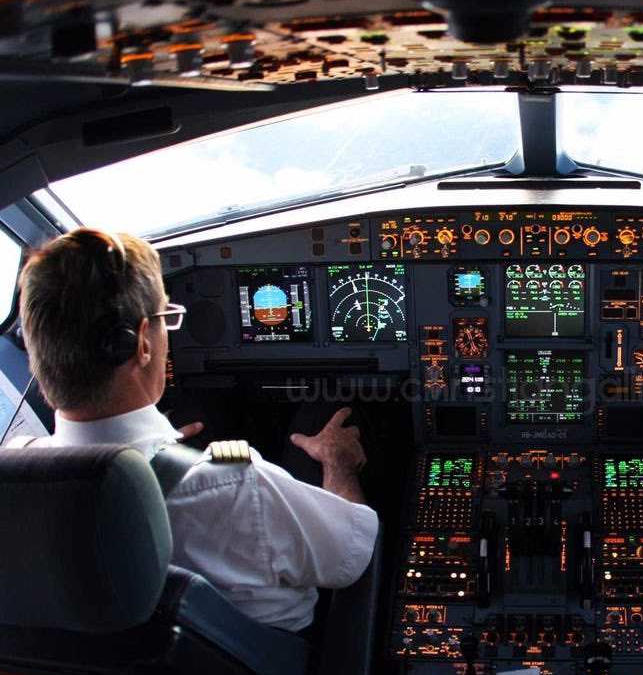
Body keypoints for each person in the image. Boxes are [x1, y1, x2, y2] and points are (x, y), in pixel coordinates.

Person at [12, 228, 379, 633]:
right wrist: (339, 464)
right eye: (165, 318)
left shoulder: (14, 484)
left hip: (119, 670)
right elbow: (354, 554)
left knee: (201, 410)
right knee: (322, 415)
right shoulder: (234, 486)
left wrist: (169, 449)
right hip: (270, 663)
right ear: (142, 344)